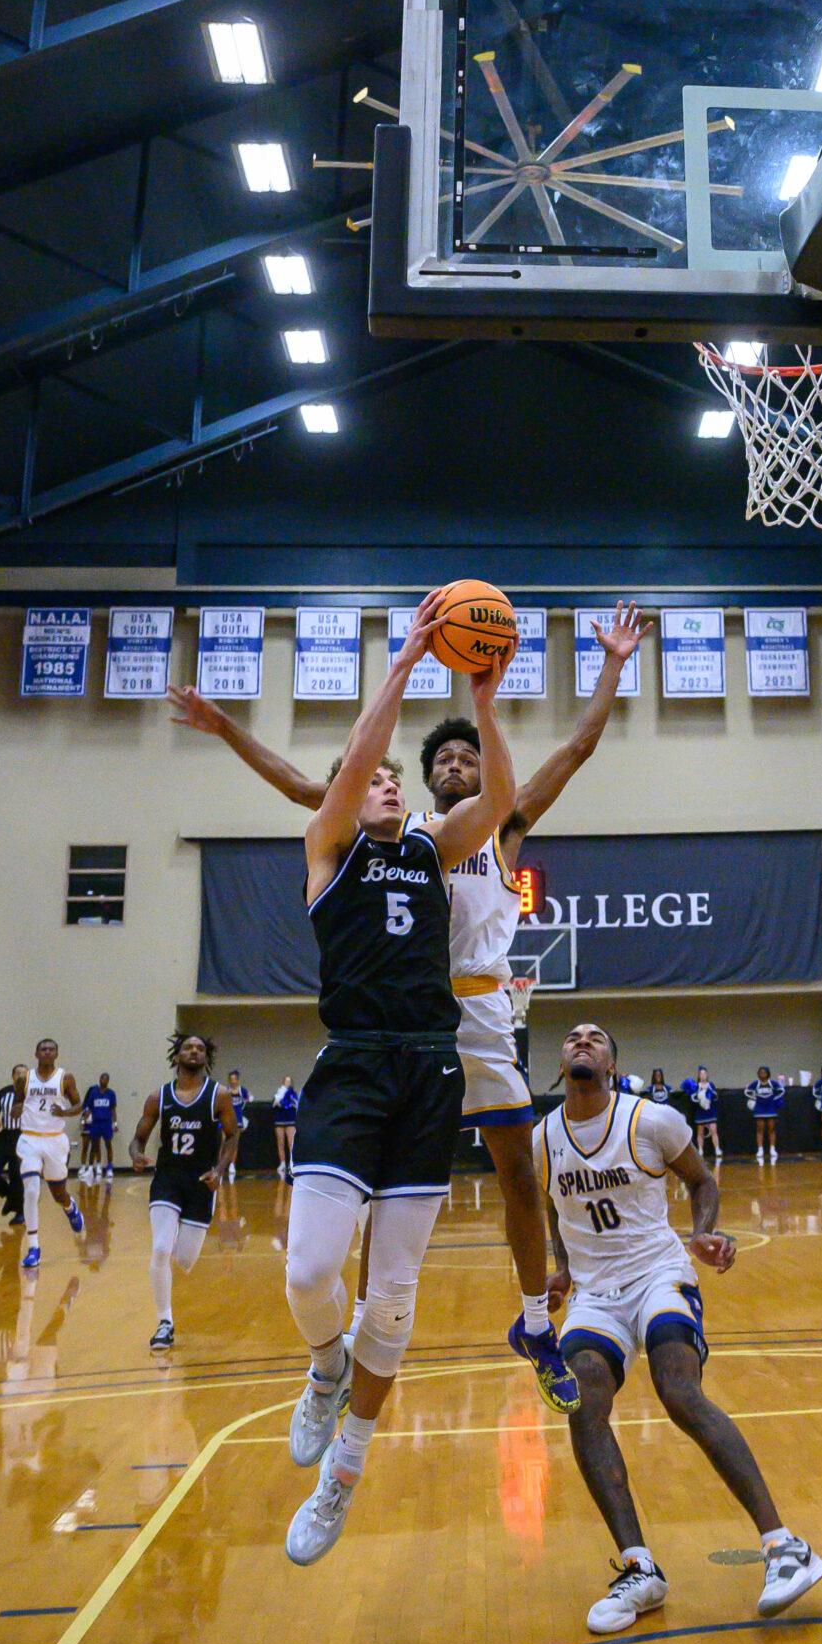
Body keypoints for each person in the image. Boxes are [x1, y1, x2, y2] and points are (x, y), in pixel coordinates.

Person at [176, 598, 644, 1413]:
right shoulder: (394, 830)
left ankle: (535, 1322)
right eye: (449, 760)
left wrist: (608, 665)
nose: (461, 766)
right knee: (375, 1184)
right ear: (428, 776)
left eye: (472, 756)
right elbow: (302, 785)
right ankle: (357, 1326)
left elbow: (576, 746)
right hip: (405, 1021)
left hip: (485, 1014)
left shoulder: (495, 827)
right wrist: (225, 730)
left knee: (517, 1181)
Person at [280, 592, 516, 1566]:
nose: (385, 782)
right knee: (308, 1270)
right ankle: (324, 1367)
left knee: (394, 1292)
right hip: (350, 1067)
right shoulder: (328, 850)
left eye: (393, 776)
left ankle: (344, 1474)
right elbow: (351, 766)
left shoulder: (430, 847)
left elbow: (496, 803)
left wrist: (483, 697)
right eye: (367, 776)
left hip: (426, 1068)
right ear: (346, 794)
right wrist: (404, 663)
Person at [538, 1018, 822, 1634]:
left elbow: (701, 1180)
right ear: (561, 1063)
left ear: (612, 1061)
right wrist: (561, 1269)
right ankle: (641, 1570)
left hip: (659, 1275)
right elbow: (549, 1205)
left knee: (678, 1391)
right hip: (594, 1296)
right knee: (583, 1403)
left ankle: (784, 1546)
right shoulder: (543, 1138)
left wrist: (703, 1233)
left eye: (595, 1037)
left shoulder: (649, 1120)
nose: (582, 1040)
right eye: (572, 1037)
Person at [129, 1032, 240, 1350]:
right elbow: (139, 1136)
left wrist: (219, 1171)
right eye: (188, 1047)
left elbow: (232, 1136)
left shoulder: (218, 1095)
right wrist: (135, 1153)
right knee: (161, 1249)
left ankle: (168, 1267)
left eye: (200, 1048)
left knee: (186, 1260)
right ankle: (165, 1322)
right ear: (176, 1056)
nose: (194, 1051)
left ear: (207, 1057)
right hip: (167, 1181)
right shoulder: (158, 1097)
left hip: (201, 1183)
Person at [18, 1039, 86, 1272]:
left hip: (55, 1139)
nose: (47, 1052)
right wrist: (16, 1109)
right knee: (31, 1190)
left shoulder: (65, 1078)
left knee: (58, 1193)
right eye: (43, 1049)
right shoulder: (24, 1078)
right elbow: (18, 1102)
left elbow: (79, 1105)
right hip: (29, 1138)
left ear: (56, 1053)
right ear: (36, 1053)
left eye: (51, 1049)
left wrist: (65, 1112)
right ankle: (34, 1247)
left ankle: (70, 1208)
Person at [0, 1069, 27, 1222]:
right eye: (18, 1073)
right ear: (13, 1076)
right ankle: (10, 1197)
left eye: (24, 1073)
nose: (21, 1076)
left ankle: (20, 1212)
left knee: (16, 1174)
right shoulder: (3, 1092)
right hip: (5, 1135)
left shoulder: (32, 1093)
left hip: (22, 1135)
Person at [79, 1073, 117, 1184]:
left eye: (106, 1079)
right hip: (95, 1123)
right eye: (102, 1078)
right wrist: (83, 1120)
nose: (103, 1081)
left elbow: (113, 1109)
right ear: (99, 1079)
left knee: (108, 1145)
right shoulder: (93, 1093)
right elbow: (89, 1108)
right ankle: (94, 1168)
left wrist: (115, 1123)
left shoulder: (111, 1094)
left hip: (106, 1123)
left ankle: (109, 1169)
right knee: (94, 1146)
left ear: (108, 1081)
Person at [745, 1066, 785, 1165]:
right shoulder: (756, 1083)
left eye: (764, 1072)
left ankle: (772, 1149)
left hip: (771, 1108)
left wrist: (775, 1099)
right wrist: (754, 1097)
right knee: (760, 1129)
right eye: (760, 1072)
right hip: (759, 1109)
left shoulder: (773, 1083)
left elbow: (782, 1090)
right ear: (758, 1074)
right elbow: (746, 1091)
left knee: (771, 1129)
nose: (762, 1073)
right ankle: (760, 1149)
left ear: (768, 1073)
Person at [681, 1067, 721, 1163]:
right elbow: (693, 1098)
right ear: (699, 1076)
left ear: (707, 1075)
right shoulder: (695, 1086)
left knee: (713, 1130)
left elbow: (715, 1096)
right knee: (700, 1132)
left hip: (710, 1112)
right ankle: (700, 1150)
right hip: (701, 1112)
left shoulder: (710, 1085)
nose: (703, 1075)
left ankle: (717, 1149)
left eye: (705, 1074)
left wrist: (709, 1094)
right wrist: (699, 1097)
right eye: (701, 1074)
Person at [273, 1076, 300, 1180]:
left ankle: (291, 1163)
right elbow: (275, 1104)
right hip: (279, 1119)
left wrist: (289, 1103)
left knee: (291, 1142)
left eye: (289, 1081)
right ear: (283, 1082)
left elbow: (296, 1105)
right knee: (280, 1142)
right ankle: (282, 1163)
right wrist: (279, 1102)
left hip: (290, 1120)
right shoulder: (278, 1093)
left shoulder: (293, 1094)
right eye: (286, 1081)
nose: (288, 1083)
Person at [225, 1071, 250, 1181]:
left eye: (235, 1079)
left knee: (235, 1143)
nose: (233, 1081)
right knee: (223, 1142)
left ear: (238, 1080)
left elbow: (247, 1101)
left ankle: (232, 1164)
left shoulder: (242, 1090)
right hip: (226, 1118)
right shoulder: (226, 1090)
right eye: (231, 1079)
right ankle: (221, 1164)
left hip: (238, 1119)